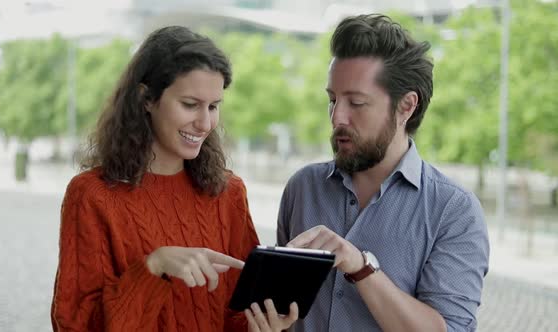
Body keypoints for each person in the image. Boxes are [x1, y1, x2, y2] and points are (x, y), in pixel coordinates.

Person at [51, 26, 297, 332]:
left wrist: (261, 326)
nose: (205, 123)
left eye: (213, 106)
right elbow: (75, 324)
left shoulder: (229, 193)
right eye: (190, 105)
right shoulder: (92, 195)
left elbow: (234, 315)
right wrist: (154, 266)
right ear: (146, 99)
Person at [277, 14, 489, 332]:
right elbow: (281, 308)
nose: (337, 117)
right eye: (332, 100)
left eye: (357, 103)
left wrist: (362, 268)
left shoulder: (454, 211)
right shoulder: (303, 188)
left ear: (406, 106)